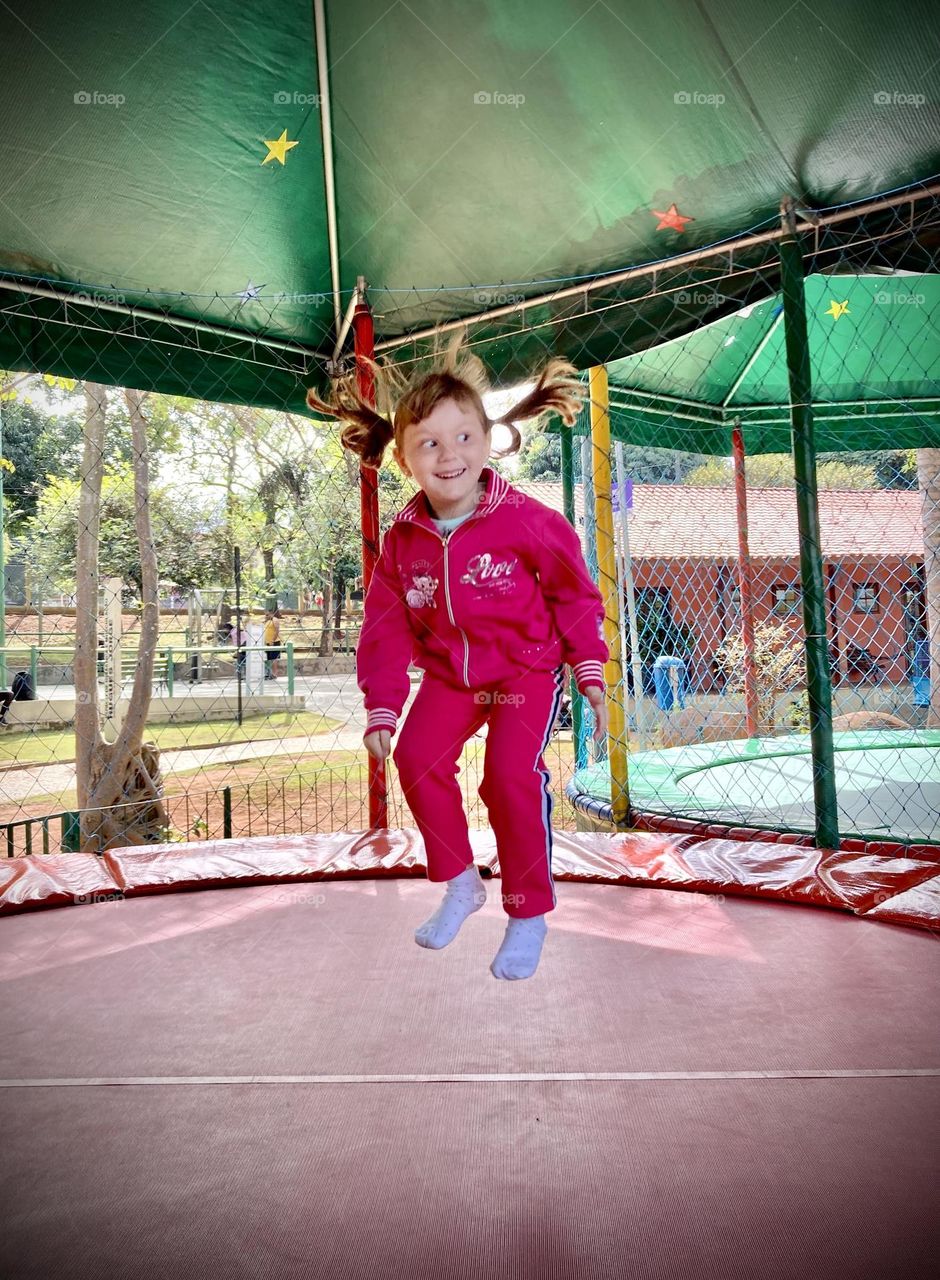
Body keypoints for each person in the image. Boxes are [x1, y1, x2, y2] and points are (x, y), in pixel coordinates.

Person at [307, 332, 608, 981]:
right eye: (430, 443)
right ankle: (460, 883)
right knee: (416, 758)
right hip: (452, 677)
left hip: (524, 670)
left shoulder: (528, 521)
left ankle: (526, 912)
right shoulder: (403, 541)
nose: (450, 454)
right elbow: (384, 629)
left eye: (464, 436)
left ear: (488, 440)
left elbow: (575, 594)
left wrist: (588, 668)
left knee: (506, 777)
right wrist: (384, 707)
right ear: (403, 459)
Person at [263, 609, 282, 679]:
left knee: (274, 659)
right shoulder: (267, 621)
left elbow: (277, 630)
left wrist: (273, 640)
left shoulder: (275, 620)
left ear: (271, 613)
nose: (266, 616)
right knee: (268, 658)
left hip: (274, 642)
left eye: (267, 615)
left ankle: (275, 673)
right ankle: (270, 673)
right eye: (265, 615)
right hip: (267, 642)